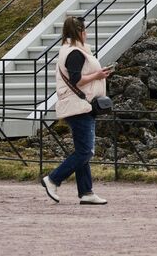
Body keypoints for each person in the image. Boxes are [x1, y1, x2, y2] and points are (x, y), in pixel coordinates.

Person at [40, 16, 113, 205]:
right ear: (80, 32)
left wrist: (97, 75)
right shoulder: (74, 53)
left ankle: (86, 192)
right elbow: (76, 80)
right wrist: (97, 75)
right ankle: (53, 179)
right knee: (86, 151)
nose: (87, 33)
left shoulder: (70, 51)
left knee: (83, 151)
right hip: (79, 106)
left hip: (80, 105)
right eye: (85, 30)